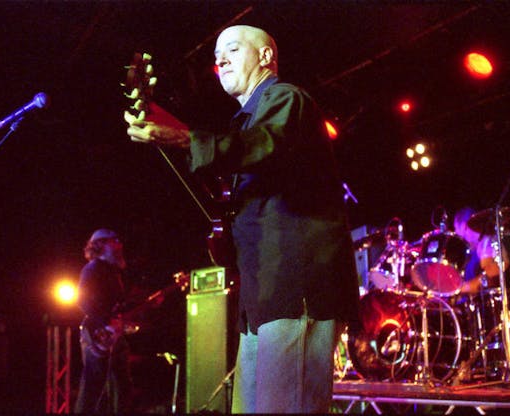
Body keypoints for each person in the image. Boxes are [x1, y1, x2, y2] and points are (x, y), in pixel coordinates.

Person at [125, 25, 358, 413]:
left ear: (266, 57)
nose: (219, 60)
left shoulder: (286, 98)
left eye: (231, 49)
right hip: (263, 292)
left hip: (293, 285)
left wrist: (185, 140)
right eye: (216, 56)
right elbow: (241, 164)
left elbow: (264, 146)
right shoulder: (246, 123)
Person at [74, 228, 132, 413]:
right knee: (94, 385)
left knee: (121, 386)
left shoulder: (113, 272)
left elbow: (115, 306)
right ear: (101, 245)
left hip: (112, 334)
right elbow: (82, 300)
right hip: (98, 333)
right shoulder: (93, 268)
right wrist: (104, 324)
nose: (119, 244)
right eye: (114, 240)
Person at [453, 207, 510, 294]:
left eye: (456, 228)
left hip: (487, 300)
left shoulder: (486, 241)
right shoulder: (467, 251)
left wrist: (459, 289)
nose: (456, 233)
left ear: (464, 226)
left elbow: (490, 276)